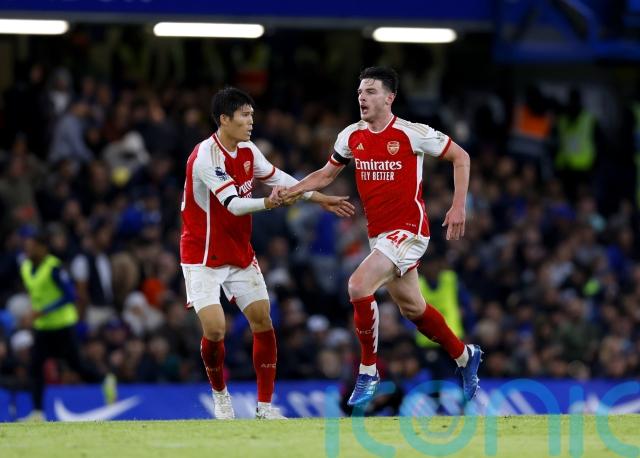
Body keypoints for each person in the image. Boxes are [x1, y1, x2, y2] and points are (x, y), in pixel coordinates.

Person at [281, 67, 483, 406]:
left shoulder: (411, 133)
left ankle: (368, 371)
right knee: (413, 308)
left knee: (358, 285)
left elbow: (460, 156)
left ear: (390, 98)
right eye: (360, 91)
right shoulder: (350, 136)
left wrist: (458, 205)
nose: (362, 97)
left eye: (371, 91)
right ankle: (465, 356)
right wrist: (294, 190)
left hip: (409, 231)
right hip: (379, 237)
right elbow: (327, 174)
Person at [180, 87, 354, 420]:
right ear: (224, 119)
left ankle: (264, 407)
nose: (251, 121)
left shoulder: (248, 150)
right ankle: (221, 397)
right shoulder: (205, 157)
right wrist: (268, 203)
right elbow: (233, 204)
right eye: (244, 115)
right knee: (215, 330)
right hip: (201, 255)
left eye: (252, 115)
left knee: (263, 320)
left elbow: (279, 179)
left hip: (238, 252)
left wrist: (319, 198)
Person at [19, 227, 116, 420]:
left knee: (76, 366)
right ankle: (38, 413)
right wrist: (32, 314)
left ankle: (105, 379)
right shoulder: (25, 268)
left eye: (31, 247)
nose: (28, 250)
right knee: (35, 367)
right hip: (43, 327)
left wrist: (43, 311)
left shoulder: (53, 268)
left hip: (63, 325)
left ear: (42, 248)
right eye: (26, 247)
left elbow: (70, 296)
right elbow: (36, 295)